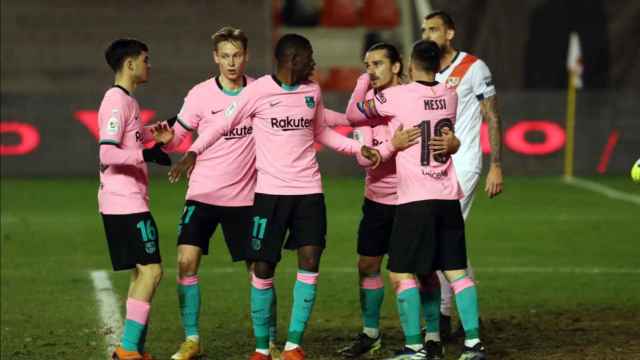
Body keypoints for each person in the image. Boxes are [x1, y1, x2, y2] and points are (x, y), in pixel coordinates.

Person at [169, 33, 381, 360]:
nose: (313, 63)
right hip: (268, 194)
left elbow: (322, 131)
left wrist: (358, 147)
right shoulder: (258, 91)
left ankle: (294, 345)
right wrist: (193, 152)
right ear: (291, 59)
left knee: (310, 261)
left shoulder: (312, 91)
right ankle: (261, 349)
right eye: (309, 57)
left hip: (309, 192)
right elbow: (221, 125)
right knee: (263, 268)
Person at [347, 40, 486, 360]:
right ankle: (473, 345)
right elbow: (446, 133)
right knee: (455, 272)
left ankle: (414, 347)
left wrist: (363, 82)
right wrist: (453, 144)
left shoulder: (397, 97)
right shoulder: (450, 95)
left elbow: (357, 112)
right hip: (447, 195)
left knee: (400, 273)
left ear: (407, 65)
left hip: (415, 198)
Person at [157, 27, 267, 360]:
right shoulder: (200, 94)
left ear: (245, 56)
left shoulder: (260, 91)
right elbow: (180, 137)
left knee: (259, 270)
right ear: (215, 57)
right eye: (225, 56)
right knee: (185, 261)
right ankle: (192, 339)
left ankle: (266, 342)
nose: (231, 62)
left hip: (246, 198)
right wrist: (167, 140)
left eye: (237, 55)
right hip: (202, 193)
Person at [338, 42, 424, 358]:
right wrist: (393, 144)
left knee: (419, 270)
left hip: (411, 197)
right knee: (367, 265)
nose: (371, 70)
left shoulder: (413, 100)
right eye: (366, 65)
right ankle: (371, 334)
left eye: (378, 64)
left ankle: (428, 336)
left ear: (397, 66)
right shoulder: (368, 106)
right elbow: (365, 160)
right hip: (376, 199)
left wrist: (389, 147)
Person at [422, 10, 504, 339]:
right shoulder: (424, 71)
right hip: (433, 166)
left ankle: (442, 316)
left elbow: (493, 116)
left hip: (464, 163)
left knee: (441, 234)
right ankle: (469, 316)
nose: (428, 35)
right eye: (425, 30)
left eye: (434, 29)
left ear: (450, 33)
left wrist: (495, 164)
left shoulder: (473, 67)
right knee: (449, 238)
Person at [98, 39, 173, 360]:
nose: (148, 64)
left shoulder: (127, 102)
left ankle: (132, 350)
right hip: (125, 201)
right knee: (153, 272)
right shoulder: (117, 101)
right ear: (129, 64)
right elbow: (108, 151)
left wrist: (156, 142)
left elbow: (136, 146)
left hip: (125, 200)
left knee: (141, 274)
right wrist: (145, 151)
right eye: (145, 59)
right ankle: (128, 349)